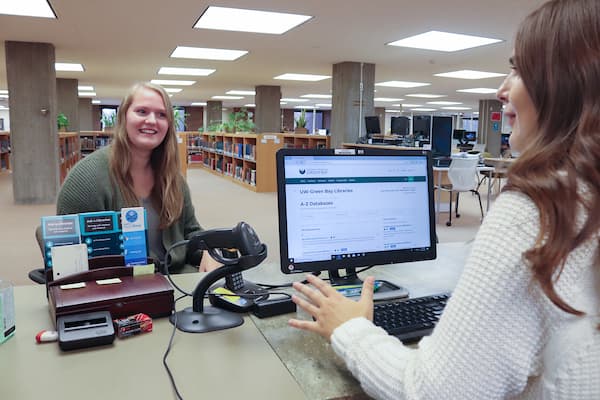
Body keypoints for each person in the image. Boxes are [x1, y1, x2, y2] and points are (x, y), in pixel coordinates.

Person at [288, 0, 600, 398]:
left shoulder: (540, 211)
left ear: (566, 82)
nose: (501, 90)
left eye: (519, 69)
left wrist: (350, 328)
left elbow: (434, 393)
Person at [56, 82, 220, 273]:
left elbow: (191, 231)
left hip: (176, 281)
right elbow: (70, 256)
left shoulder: (173, 178)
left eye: (161, 114)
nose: (152, 120)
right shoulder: (86, 179)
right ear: (123, 117)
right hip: (118, 289)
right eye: (142, 111)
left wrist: (208, 250)